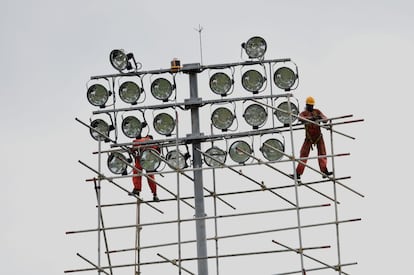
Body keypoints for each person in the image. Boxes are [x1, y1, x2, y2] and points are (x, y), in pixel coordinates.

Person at [294, 96, 333, 180]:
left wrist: (320, 118)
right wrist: (311, 118)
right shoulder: (304, 113)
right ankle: (297, 173)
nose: (311, 107)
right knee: (303, 155)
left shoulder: (317, 111)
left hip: (318, 136)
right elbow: (300, 118)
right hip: (309, 137)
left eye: (312, 106)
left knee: (322, 153)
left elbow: (325, 119)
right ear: (306, 105)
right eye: (309, 106)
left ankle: (324, 171)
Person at [131, 134, 160, 202]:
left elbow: (134, 149)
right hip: (148, 159)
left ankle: (137, 189)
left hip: (141, 158)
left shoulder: (139, 141)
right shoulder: (151, 142)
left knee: (136, 172)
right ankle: (155, 194)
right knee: (150, 177)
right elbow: (158, 151)